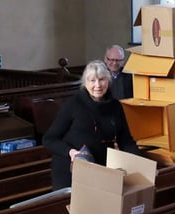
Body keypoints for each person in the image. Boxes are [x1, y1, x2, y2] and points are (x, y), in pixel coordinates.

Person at [43, 60, 141, 190]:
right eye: (92, 80)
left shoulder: (115, 106)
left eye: (102, 79)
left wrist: (141, 165)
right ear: (85, 83)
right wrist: (71, 152)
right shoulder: (73, 104)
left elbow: (126, 141)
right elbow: (49, 139)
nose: (98, 85)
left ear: (108, 80)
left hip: (101, 168)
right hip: (70, 170)